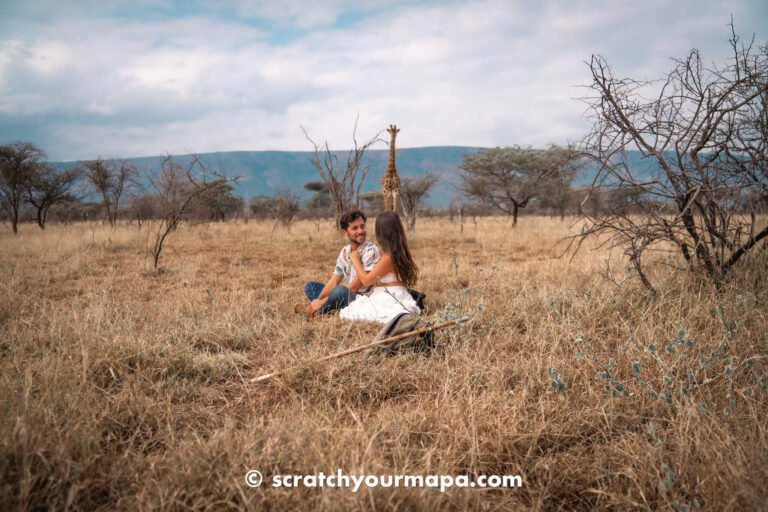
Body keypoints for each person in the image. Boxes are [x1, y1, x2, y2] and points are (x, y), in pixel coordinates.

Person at [339, 211, 421, 324]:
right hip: (385, 294)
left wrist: (355, 261)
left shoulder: (389, 257)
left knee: (347, 309)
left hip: (388, 297)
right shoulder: (392, 253)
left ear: (382, 233)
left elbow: (367, 281)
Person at [301, 210, 381, 317]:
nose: (361, 231)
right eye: (355, 228)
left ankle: (319, 312)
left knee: (339, 291)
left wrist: (321, 302)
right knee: (310, 286)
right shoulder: (345, 252)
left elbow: (355, 287)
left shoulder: (371, 250)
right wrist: (318, 300)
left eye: (362, 226)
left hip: (362, 299)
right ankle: (319, 308)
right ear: (345, 232)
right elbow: (334, 281)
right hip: (346, 294)